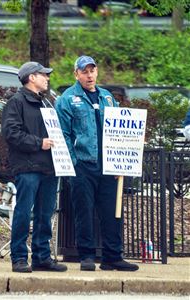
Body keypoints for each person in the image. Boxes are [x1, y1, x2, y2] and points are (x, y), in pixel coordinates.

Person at [56, 55, 139, 272]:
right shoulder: (67, 99)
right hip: (83, 164)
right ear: (76, 74)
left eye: (92, 70)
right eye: (84, 71)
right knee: (83, 212)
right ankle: (87, 256)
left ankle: (113, 257)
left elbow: (121, 129)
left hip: (109, 165)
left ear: (97, 72)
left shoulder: (107, 97)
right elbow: (63, 134)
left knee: (112, 212)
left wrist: (124, 154)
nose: (89, 75)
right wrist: (73, 163)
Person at [1, 61, 67, 273]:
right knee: (23, 212)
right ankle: (19, 258)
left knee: (45, 213)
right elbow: (11, 134)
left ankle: (42, 257)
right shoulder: (16, 102)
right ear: (31, 77)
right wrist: (39, 142)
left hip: (49, 167)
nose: (47, 78)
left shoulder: (47, 103)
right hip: (27, 167)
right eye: (43, 75)